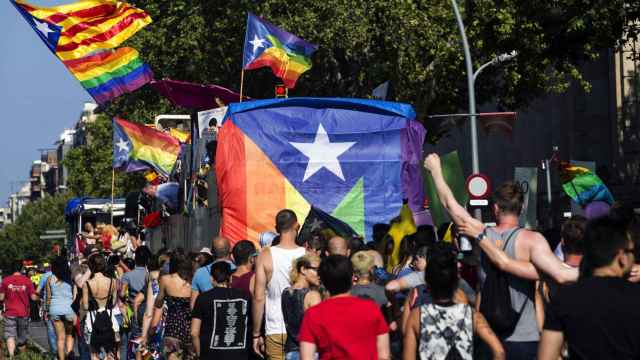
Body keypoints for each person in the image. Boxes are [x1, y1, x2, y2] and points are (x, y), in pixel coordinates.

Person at [424, 153, 578, 359]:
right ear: (521, 208)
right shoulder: (533, 240)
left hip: (490, 338)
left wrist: (436, 172)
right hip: (526, 337)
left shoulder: (481, 234)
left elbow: (449, 204)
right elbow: (561, 274)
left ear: (495, 208)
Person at [539, 216, 640, 359]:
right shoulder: (636, 297)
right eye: (631, 252)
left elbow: (546, 357)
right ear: (621, 257)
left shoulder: (564, 299)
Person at [403, 244, 505, 360]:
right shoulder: (472, 315)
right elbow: (499, 351)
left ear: (428, 282)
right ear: (456, 282)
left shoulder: (417, 316)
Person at [299, 255, 390, 360]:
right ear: (352, 278)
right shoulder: (371, 309)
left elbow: (306, 357)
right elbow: (384, 355)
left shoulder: (313, 314)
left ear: (323, 281)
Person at [253, 209, 306, 360]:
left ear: (276, 229)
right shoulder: (306, 255)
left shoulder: (265, 254)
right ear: (297, 226)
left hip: (275, 328)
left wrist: (256, 334)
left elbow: (258, 297)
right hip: (301, 330)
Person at [191, 261, 252, 360]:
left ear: (212, 279)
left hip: (211, 355)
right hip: (239, 355)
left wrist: (199, 354)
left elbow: (194, 332)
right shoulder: (244, 296)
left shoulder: (203, 298)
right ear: (230, 278)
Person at [281, 255, 322, 360]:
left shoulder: (285, 292)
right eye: (317, 270)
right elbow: (319, 329)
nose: (320, 275)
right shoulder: (312, 296)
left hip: (290, 351)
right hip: (310, 352)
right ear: (303, 269)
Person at [154, 253, 193, 360]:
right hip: (191, 328)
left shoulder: (165, 279)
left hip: (173, 328)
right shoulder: (193, 280)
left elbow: (159, 302)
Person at [83, 254, 119, 360]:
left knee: (94, 353)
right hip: (110, 319)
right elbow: (113, 302)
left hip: (92, 320)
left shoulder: (87, 284)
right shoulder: (113, 281)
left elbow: (85, 306)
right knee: (112, 352)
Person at [0, 260, 38, 358]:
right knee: (22, 336)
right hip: (23, 312)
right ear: (21, 269)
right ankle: (23, 356)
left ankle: (12, 356)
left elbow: (1, 298)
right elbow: (33, 298)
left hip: (9, 312)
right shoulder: (27, 280)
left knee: (10, 334)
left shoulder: (5, 280)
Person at [191, 236, 234, 308]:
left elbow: (193, 305)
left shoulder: (199, 273)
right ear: (230, 249)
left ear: (211, 251)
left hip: (207, 317)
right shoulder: (238, 272)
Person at [47, 256, 77, 360]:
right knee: (70, 334)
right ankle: (69, 354)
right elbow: (74, 295)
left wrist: (47, 310)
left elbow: (49, 297)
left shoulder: (50, 279)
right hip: (68, 308)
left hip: (54, 309)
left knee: (60, 338)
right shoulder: (70, 277)